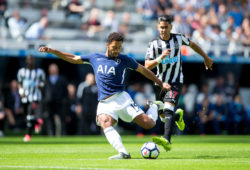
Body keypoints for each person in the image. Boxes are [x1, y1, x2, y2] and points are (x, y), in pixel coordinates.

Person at [39, 32, 171, 159]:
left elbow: (143, 70)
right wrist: (52, 51)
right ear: (108, 45)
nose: (117, 50)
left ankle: (154, 106)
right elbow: (73, 58)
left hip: (121, 99)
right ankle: (123, 153)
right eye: (114, 47)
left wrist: (160, 83)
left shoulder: (124, 59)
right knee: (105, 122)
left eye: (119, 48)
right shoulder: (95, 57)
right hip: (105, 102)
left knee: (148, 124)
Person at [144, 15, 213, 151]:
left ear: (171, 27)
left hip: (175, 80)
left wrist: (205, 57)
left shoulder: (178, 38)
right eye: (161, 27)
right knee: (163, 115)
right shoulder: (153, 44)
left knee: (168, 108)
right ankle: (177, 116)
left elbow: (192, 44)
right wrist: (160, 58)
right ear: (158, 27)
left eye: (166, 27)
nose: (163, 30)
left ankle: (167, 140)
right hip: (159, 82)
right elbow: (146, 65)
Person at [17, 55, 46, 142]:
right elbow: (19, 82)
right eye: (29, 60)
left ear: (34, 60)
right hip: (25, 97)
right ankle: (37, 122)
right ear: (26, 60)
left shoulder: (39, 71)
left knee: (30, 115)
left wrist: (40, 85)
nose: (30, 61)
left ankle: (28, 135)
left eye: (32, 60)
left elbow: (44, 82)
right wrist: (21, 92)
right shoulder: (22, 72)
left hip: (35, 97)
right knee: (27, 116)